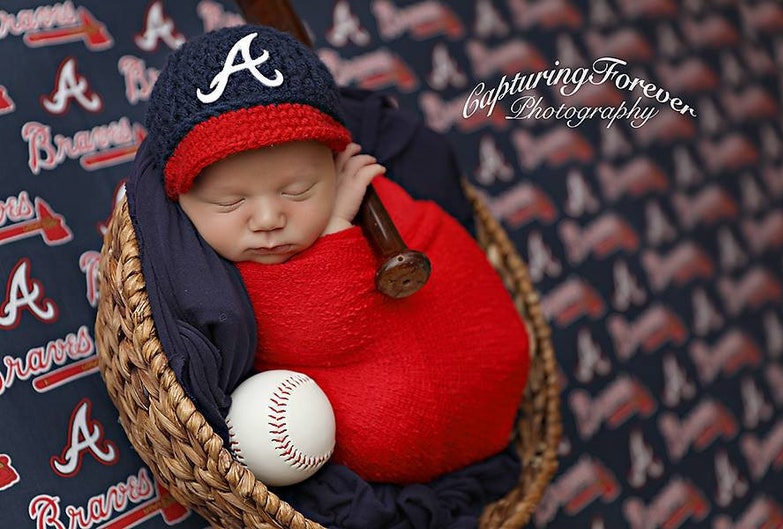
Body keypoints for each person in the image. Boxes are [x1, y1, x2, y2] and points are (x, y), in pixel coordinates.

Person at [144, 24, 529, 485]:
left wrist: (342, 225)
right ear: (178, 198)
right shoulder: (200, 269)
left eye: (298, 189)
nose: (268, 218)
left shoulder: (372, 197)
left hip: (485, 385)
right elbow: (297, 335)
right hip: (398, 426)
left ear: (336, 161)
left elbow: (441, 253)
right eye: (230, 202)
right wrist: (332, 231)